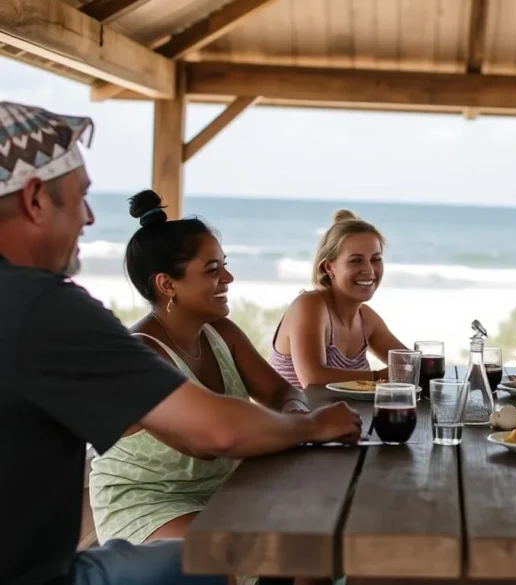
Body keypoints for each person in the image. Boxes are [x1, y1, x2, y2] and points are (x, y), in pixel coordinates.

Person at [0, 101, 362, 585]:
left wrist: (294, 416)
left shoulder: (33, 310)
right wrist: (312, 424)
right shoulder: (44, 308)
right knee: (239, 557)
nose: (89, 218)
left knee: (294, 551)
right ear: (34, 200)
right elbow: (214, 434)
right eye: (81, 196)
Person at [89, 189, 315, 550]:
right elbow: (207, 442)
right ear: (167, 284)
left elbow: (278, 391)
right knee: (267, 550)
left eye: (224, 264)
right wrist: (310, 427)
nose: (229, 277)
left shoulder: (221, 332)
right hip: (149, 505)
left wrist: (295, 412)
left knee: (313, 537)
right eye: (213, 270)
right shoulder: (141, 353)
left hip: (226, 490)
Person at [270, 210, 405, 388]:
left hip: (346, 415)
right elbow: (312, 379)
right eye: (356, 261)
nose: (370, 271)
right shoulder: (310, 305)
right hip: (295, 416)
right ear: (329, 267)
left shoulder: (366, 318)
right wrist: (378, 377)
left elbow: (410, 364)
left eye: (376, 259)